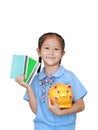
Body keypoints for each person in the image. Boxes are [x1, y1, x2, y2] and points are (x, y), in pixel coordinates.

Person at [15, 32, 87, 130]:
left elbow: (81, 105)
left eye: (56, 49)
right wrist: (28, 87)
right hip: (41, 127)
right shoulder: (35, 79)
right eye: (47, 48)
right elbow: (37, 110)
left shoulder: (69, 77)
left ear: (62, 53)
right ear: (39, 51)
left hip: (66, 127)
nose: (51, 52)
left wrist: (59, 112)